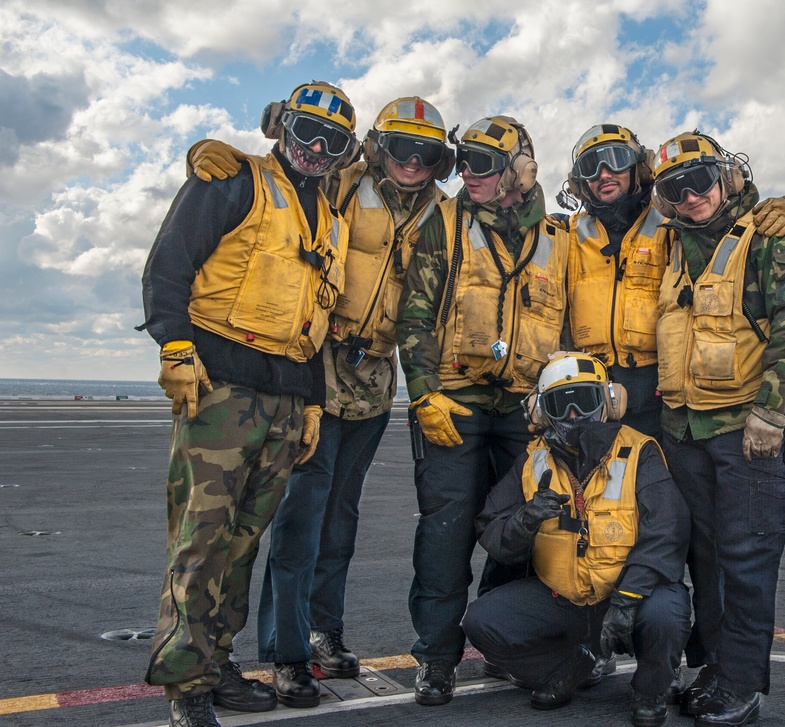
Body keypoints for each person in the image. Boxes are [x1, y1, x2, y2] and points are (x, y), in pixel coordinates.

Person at [187, 97, 453, 709]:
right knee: (300, 522)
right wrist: (227, 158)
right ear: (378, 146)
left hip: (376, 379)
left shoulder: (444, 212)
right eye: (402, 147)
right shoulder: (342, 182)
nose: (412, 162)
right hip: (319, 368)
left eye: (427, 153)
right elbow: (287, 175)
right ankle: (286, 654)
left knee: (340, 520)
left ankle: (323, 632)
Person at [138, 80, 356, 727]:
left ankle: (216, 663)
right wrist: (175, 345)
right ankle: (186, 685)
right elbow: (169, 264)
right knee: (201, 540)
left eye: (333, 141)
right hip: (222, 391)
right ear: (279, 126)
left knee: (241, 544)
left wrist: (312, 404)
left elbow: (315, 320)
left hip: (287, 399)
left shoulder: (331, 220)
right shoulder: (232, 181)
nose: (315, 148)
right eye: (306, 131)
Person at [396, 115, 569, 706]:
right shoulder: (443, 223)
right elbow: (415, 316)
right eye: (464, 161)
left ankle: (503, 646)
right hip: (454, 401)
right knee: (444, 538)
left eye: (484, 164)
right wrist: (424, 393)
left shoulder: (558, 238)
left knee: (520, 535)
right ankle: (436, 659)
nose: (469, 173)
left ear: (520, 171)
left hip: (525, 412)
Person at [650, 131, 785, 726]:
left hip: (745, 431)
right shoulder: (673, 245)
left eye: (700, 180)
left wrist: (771, 412)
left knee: (746, 562)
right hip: (685, 431)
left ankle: (742, 685)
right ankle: (716, 669)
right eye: (675, 188)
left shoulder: (771, 239)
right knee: (707, 559)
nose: (691, 196)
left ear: (727, 177)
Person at [463, 351, 691, 727]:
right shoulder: (532, 461)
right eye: (560, 403)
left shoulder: (639, 452)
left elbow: (667, 532)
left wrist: (626, 600)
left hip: (625, 598)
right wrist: (524, 520)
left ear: (609, 401)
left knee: (666, 612)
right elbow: (492, 531)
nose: (573, 414)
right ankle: (569, 668)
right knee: (482, 621)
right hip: (563, 600)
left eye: (584, 399)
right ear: (542, 411)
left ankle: (651, 690)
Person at [563, 123, 785, 437]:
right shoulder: (564, 235)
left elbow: (724, 228)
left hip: (658, 397)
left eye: (616, 160)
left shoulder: (675, 223)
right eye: (590, 167)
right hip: (590, 391)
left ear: (639, 168)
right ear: (579, 181)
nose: (604, 174)